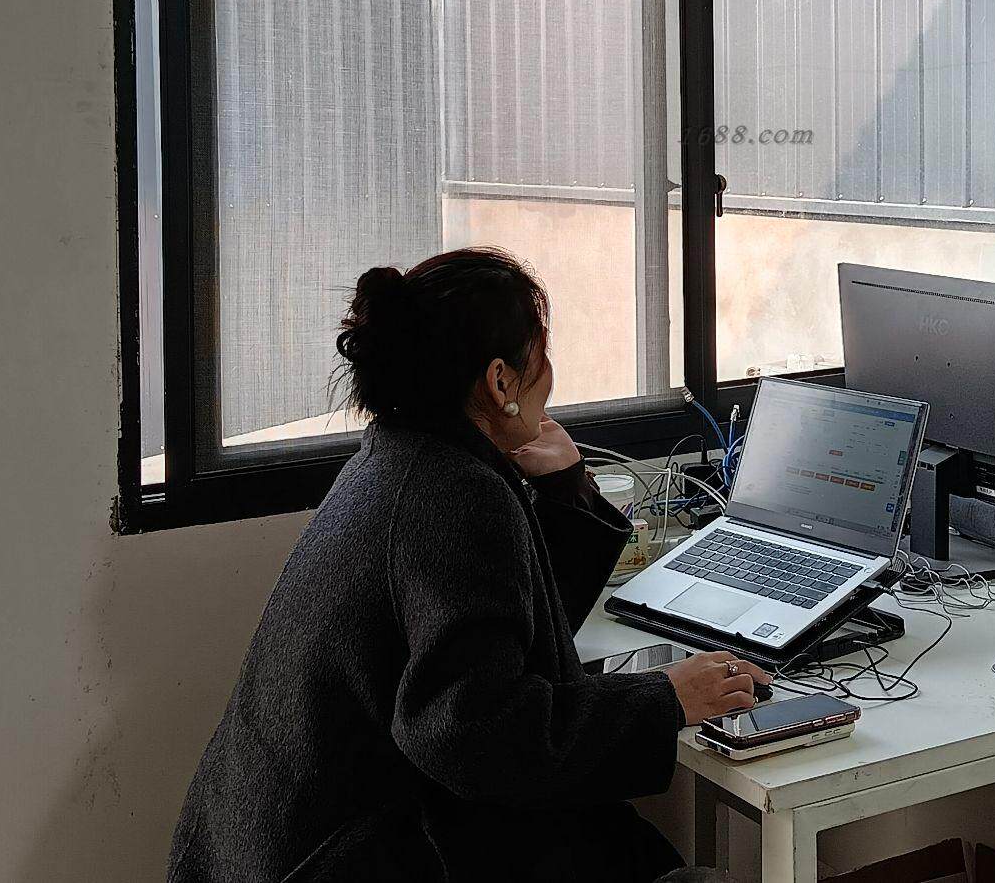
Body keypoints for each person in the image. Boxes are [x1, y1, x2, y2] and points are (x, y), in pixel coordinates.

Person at [167, 247, 765, 883]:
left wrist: (565, 490)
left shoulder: (395, 459)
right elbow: (476, 734)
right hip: (359, 858)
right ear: (501, 382)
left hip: (275, 851)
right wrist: (664, 698)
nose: (551, 376)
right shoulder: (454, 494)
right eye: (541, 356)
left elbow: (498, 642)